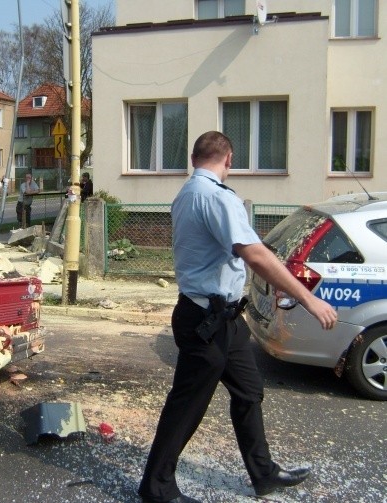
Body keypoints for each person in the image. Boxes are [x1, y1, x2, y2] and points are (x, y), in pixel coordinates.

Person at [138, 131, 337, 503]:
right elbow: (255, 255)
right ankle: (156, 487)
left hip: (224, 319)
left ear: (194, 158)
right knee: (187, 404)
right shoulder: (214, 196)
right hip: (205, 320)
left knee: (249, 390)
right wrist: (308, 299)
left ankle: (263, 473)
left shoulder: (188, 193)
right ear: (228, 159)